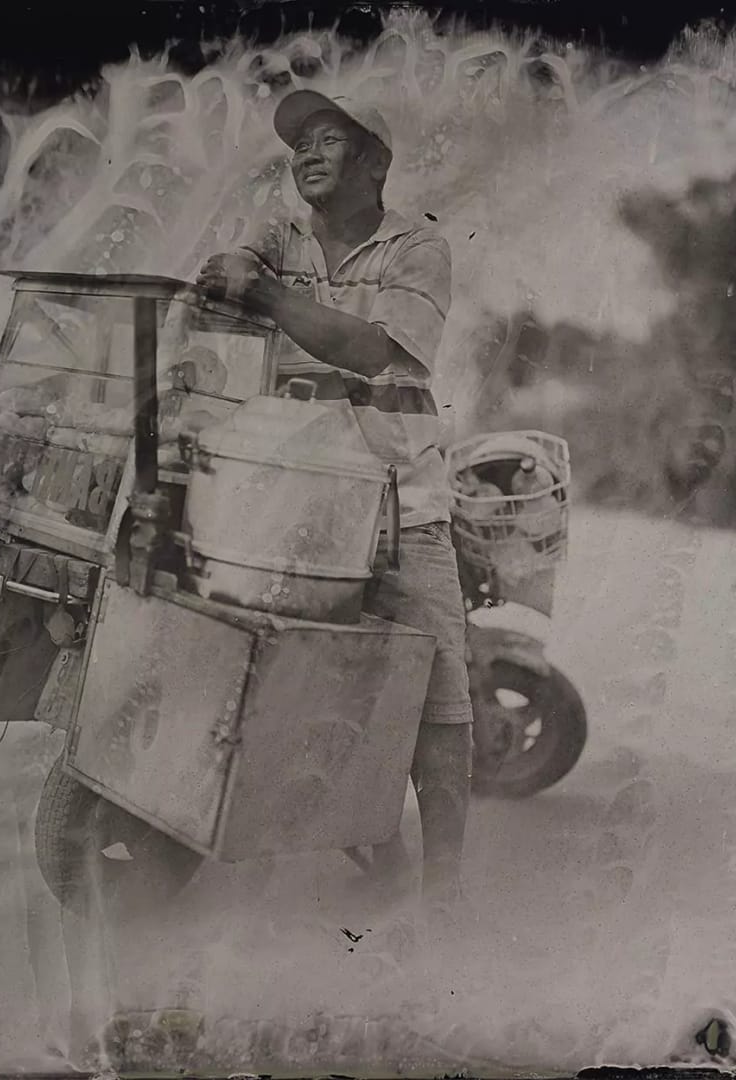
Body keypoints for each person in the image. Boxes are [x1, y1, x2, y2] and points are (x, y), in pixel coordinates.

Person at [197, 91, 473, 913]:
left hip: (400, 501)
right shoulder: (280, 236)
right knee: (307, 687)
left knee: (438, 695)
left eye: (329, 141)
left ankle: (448, 894)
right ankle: (377, 862)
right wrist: (230, 277)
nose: (306, 157)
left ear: (376, 162)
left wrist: (269, 297)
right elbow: (223, 282)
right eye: (298, 146)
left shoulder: (418, 246)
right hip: (294, 508)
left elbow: (377, 352)